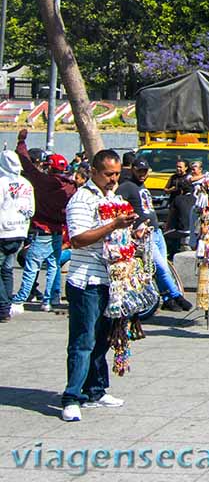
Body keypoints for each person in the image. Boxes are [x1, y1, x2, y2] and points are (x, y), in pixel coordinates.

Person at [61, 149, 143, 422]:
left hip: (112, 280)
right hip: (86, 280)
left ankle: (95, 389)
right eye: (109, 174)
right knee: (83, 341)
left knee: (103, 339)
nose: (113, 179)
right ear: (94, 171)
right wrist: (112, 225)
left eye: (117, 174)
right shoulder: (81, 200)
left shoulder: (115, 199)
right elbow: (78, 239)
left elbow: (121, 236)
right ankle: (72, 396)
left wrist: (134, 232)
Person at [12, 128, 78, 313]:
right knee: (52, 267)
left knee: (32, 266)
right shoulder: (72, 188)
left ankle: (20, 298)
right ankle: (48, 300)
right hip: (58, 231)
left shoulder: (42, 180)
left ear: (49, 166)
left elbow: (26, 162)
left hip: (41, 230)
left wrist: (21, 142)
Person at [116, 157, 192, 312]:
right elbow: (116, 205)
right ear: (133, 170)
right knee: (161, 266)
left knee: (162, 266)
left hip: (156, 231)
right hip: (144, 234)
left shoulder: (142, 185)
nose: (142, 174)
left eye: (145, 171)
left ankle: (167, 299)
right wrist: (131, 227)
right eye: (139, 171)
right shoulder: (126, 187)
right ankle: (176, 295)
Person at [0, 151, 34, 322]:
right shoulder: (26, 183)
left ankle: (3, 307)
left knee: (2, 269)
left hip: (3, 231)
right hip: (19, 231)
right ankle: (6, 308)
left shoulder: (2, 182)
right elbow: (31, 209)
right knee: (7, 270)